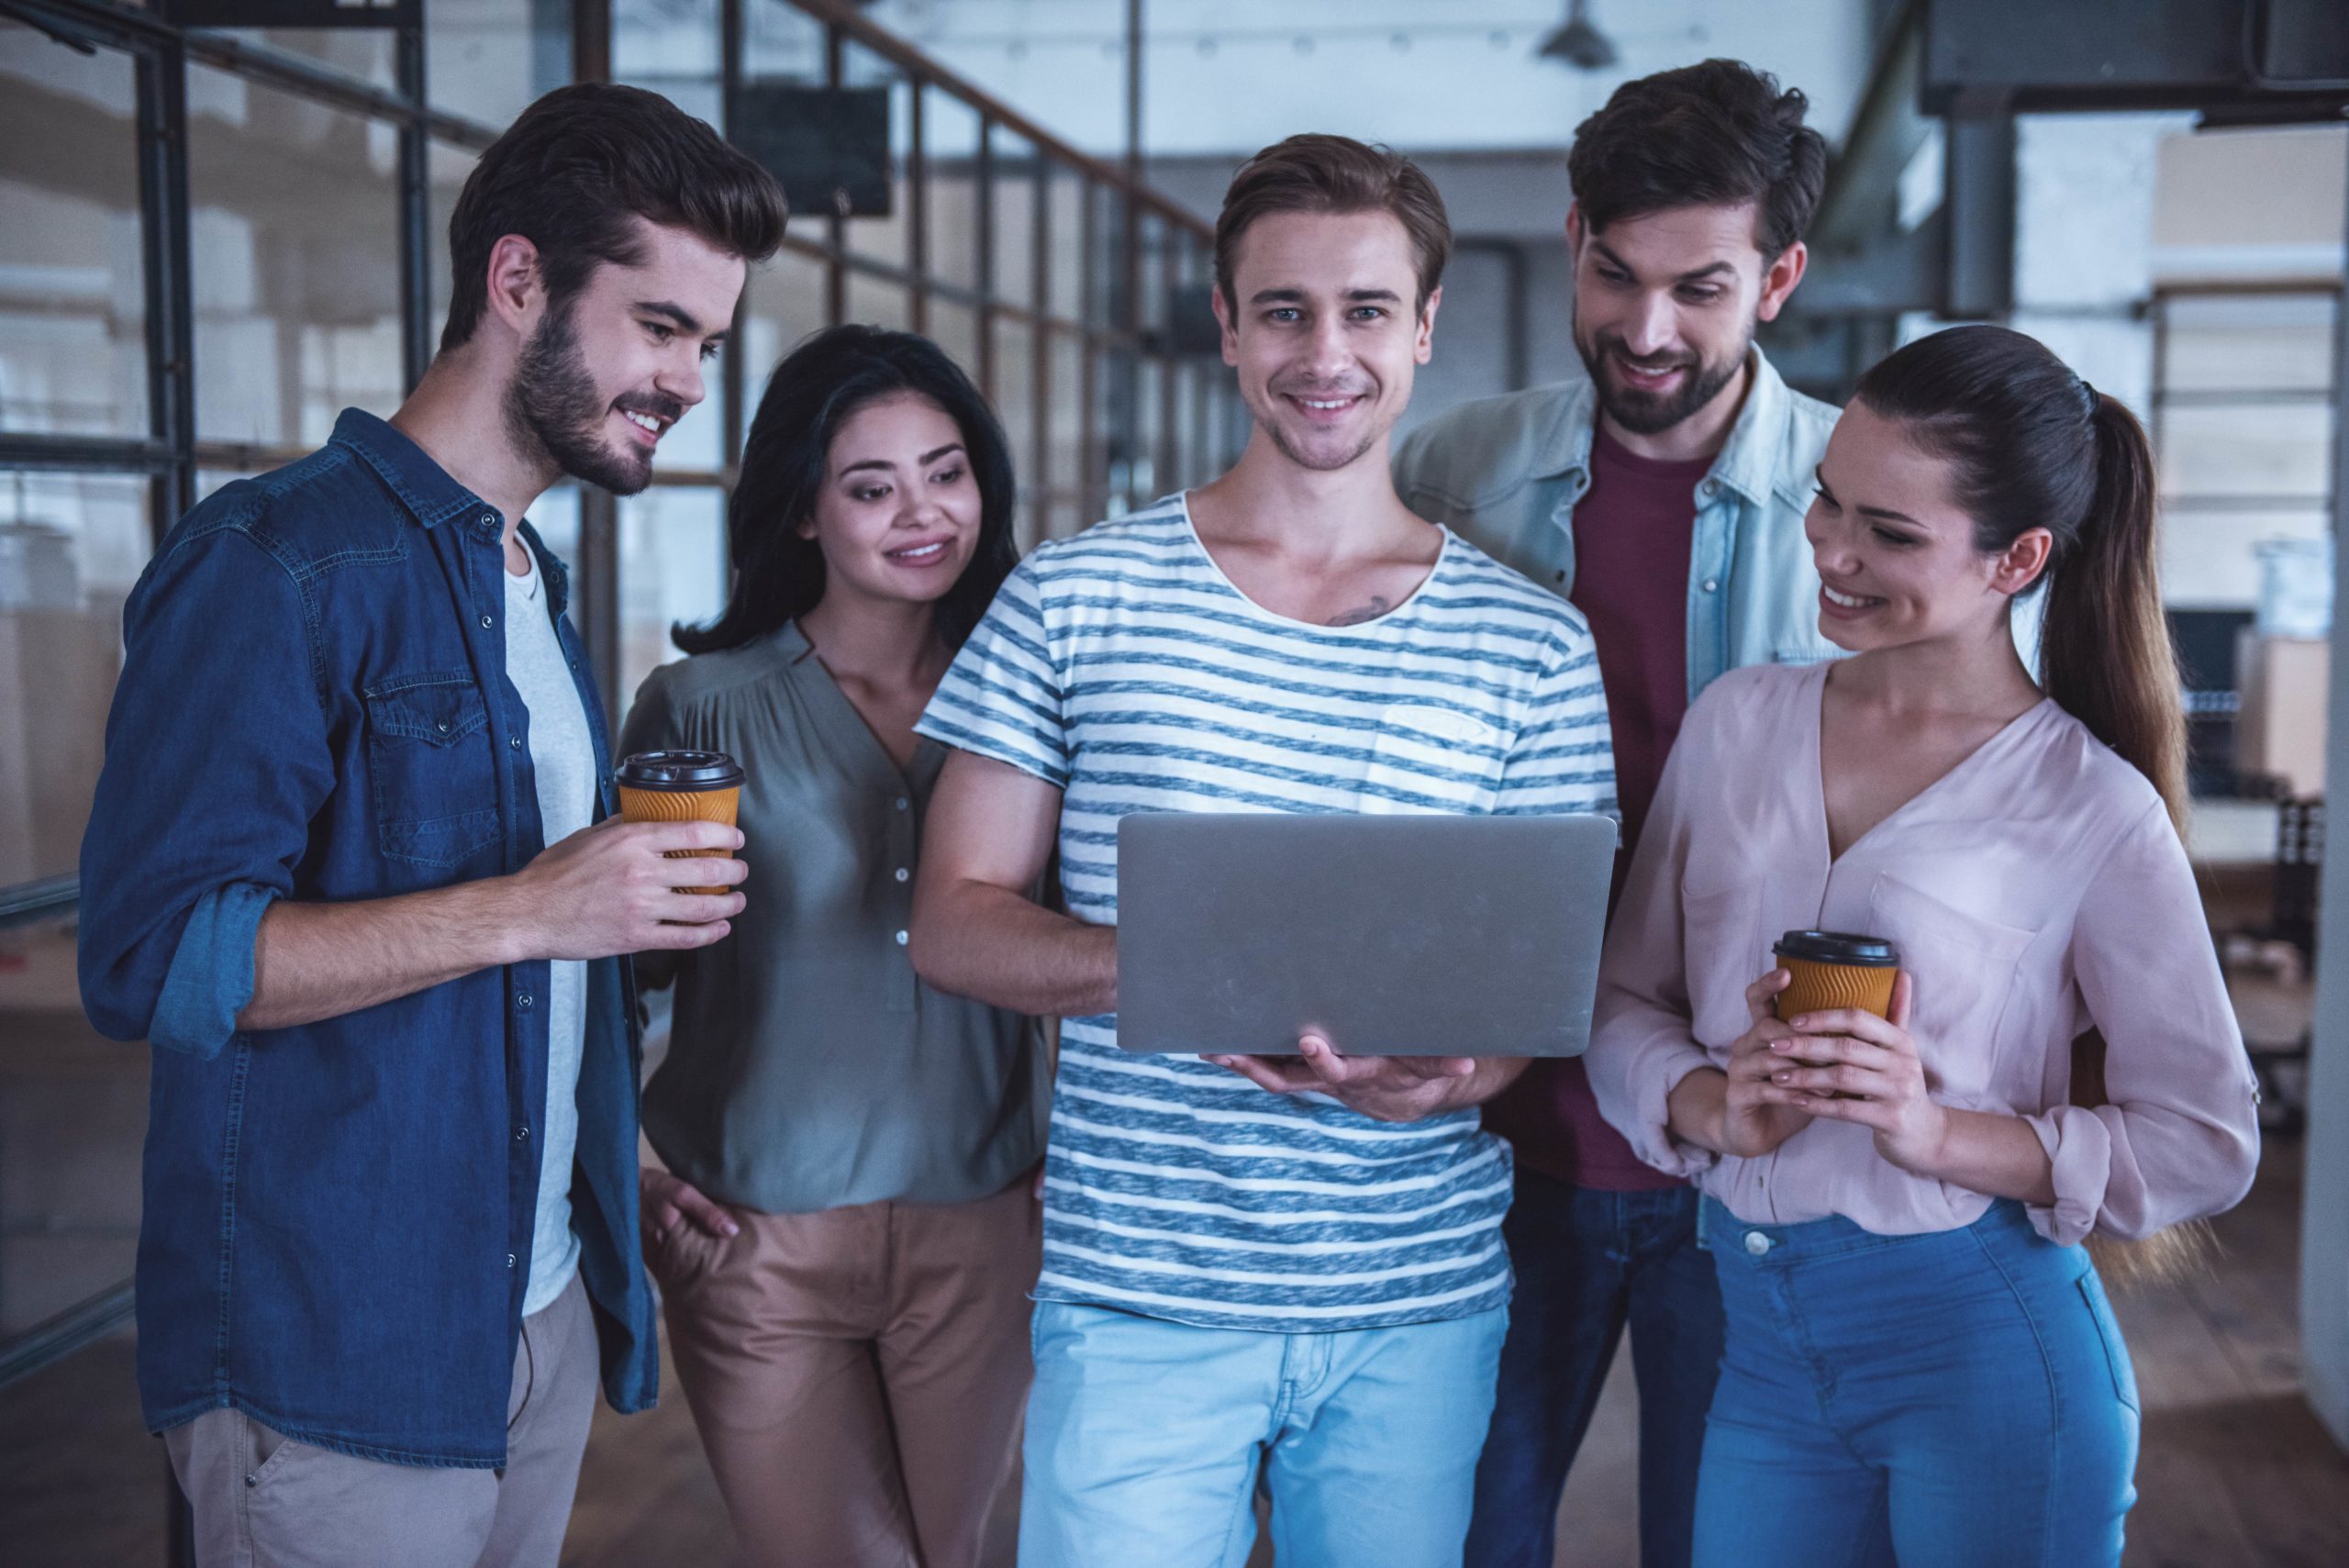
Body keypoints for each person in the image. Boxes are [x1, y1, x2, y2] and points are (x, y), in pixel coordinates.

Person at [76, 84, 785, 1567]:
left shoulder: (531, 581)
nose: (689, 380)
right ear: (516, 279)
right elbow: (155, 959)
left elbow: (516, 989)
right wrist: (535, 905)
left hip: (531, 1329)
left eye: (708, 343)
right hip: (335, 1355)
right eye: (659, 326)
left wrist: (615, 1170)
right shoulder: (275, 564)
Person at [908, 134, 1615, 1568]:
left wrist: (1451, 1076)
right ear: (1226, 325)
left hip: (1413, 1299)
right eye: (1283, 310)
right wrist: (1177, 966)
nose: (1325, 353)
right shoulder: (1074, 595)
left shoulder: (1532, 644)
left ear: (1423, 329)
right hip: (1138, 1296)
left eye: (1365, 311)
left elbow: (1532, 1000)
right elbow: (952, 921)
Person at [1585, 323, 2262, 1568]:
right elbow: (1624, 996)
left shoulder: (2092, 807)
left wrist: (1937, 1130)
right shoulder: (1738, 723)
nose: (1835, 555)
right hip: (1764, 1358)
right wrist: (1706, 1100)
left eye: (1891, 534)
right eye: (1829, 503)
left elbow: (2206, 1138)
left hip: (1984, 1362)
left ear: (2019, 558)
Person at [1391, 59, 1834, 1568]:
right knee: (1463, 1535)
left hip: (1763, 1164)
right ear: (1575, 233)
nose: (1647, 331)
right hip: (1494, 1143)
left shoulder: (1865, 500)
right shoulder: (1449, 475)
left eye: (1699, 287)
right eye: (1614, 273)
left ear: (1777, 276)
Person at [616, 326, 1046, 1568]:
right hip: (757, 1243)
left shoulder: (1031, 690)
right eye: (871, 486)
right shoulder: (700, 708)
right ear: (803, 512)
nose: (923, 512)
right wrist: (628, 1175)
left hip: (984, 1222)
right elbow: (602, 975)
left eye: (946, 470)